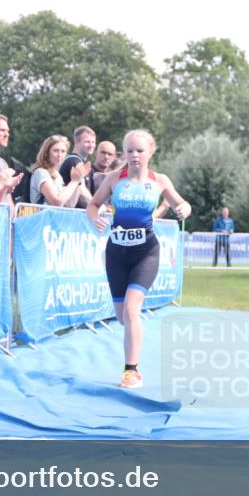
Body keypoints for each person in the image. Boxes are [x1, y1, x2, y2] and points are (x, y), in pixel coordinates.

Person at [88, 129, 191, 389]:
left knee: (133, 310)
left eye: (140, 150)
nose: (135, 155)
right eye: (130, 150)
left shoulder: (160, 180)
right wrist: (94, 217)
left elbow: (182, 203)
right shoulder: (114, 179)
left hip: (146, 253)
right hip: (116, 254)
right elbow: (93, 204)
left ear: (151, 152)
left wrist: (182, 208)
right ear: (124, 153)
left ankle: (131, 371)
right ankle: (132, 361)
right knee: (123, 317)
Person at [30, 134, 92, 206]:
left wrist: (78, 180)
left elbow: (70, 204)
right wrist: (74, 181)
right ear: (46, 153)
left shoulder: (57, 174)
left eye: (63, 151)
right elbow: (57, 202)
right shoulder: (41, 172)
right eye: (56, 151)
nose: (59, 155)